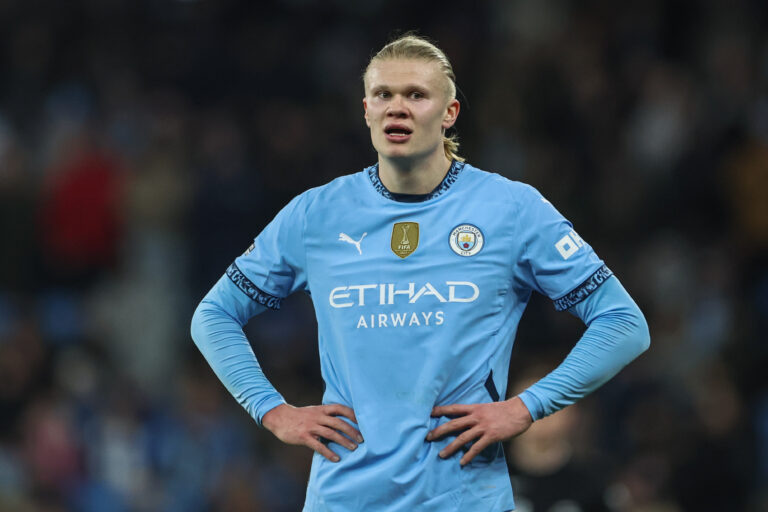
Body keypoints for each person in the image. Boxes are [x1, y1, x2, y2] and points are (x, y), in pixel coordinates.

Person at [190, 34, 650, 511]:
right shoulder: (316, 215)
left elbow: (623, 324)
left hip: (462, 499)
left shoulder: (511, 210)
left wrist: (526, 407)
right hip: (344, 499)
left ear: (449, 112)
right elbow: (214, 315)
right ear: (365, 109)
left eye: (416, 95)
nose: (397, 108)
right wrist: (272, 411)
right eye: (384, 95)